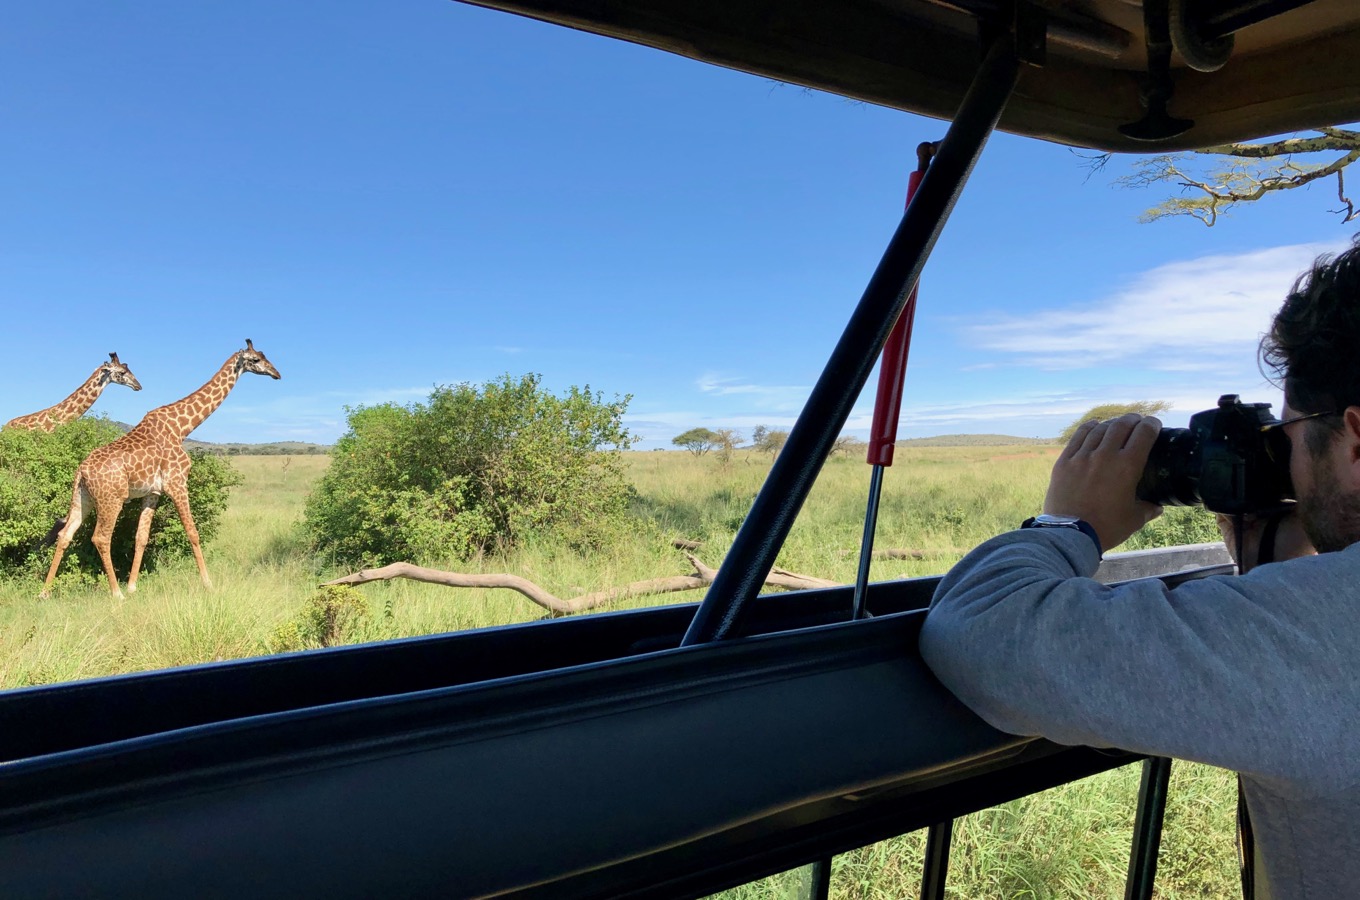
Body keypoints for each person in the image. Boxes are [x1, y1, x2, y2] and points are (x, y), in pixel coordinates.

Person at [918, 237, 1360, 900]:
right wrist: (1283, 567)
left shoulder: (1325, 634)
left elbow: (978, 630)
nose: (1284, 469)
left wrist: (1068, 525)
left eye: (1289, 439)